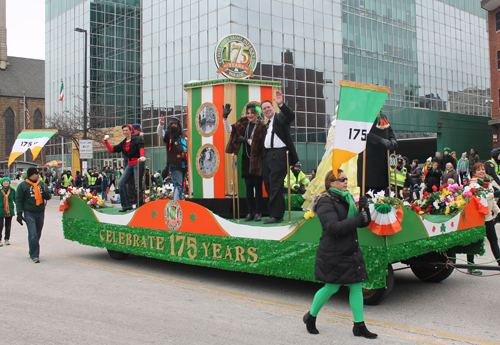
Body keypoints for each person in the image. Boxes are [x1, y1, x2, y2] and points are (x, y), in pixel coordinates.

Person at [303, 169, 376, 339]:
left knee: (357, 286)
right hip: (333, 251)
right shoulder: (325, 202)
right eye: (341, 179)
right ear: (331, 183)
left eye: (346, 178)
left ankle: (359, 326)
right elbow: (334, 227)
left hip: (350, 249)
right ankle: (311, 317)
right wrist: (359, 218)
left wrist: (364, 209)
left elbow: (362, 223)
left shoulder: (347, 198)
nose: (345, 181)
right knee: (332, 286)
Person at [224, 102, 266, 221]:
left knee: (257, 187)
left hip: (257, 161)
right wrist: (225, 118)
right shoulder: (243, 123)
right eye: (248, 113)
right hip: (246, 160)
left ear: (257, 114)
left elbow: (260, 145)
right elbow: (229, 130)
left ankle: (258, 212)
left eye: (252, 113)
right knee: (248, 187)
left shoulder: (262, 127)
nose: (250, 115)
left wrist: (247, 140)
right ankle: (249, 212)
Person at [261, 90, 299, 224]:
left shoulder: (280, 118)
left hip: (279, 155)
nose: (266, 110)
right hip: (268, 156)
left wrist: (281, 104)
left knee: (276, 185)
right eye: (264, 109)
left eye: (268, 107)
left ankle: (276, 216)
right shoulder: (267, 125)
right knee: (269, 185)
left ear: (273, 108)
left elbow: (290, 116)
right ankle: (277, 213)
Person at [466, 163, 500, 274]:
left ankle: (499, 262)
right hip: (478, 218)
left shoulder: (488, 183)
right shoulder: (473, 185)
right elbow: (482, 198)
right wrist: (492, 195)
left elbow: (492, 202)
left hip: (488, 217)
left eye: (483, 169)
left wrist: (498, 211)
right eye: (479, 170)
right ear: (474, 172)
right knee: (473, 242)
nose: (482, 171)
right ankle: (471, 266)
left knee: (493, 240)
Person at [104, 124, 146, 212]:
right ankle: (126, 205)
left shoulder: (137, 139)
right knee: (121, 183)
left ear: (131, 131)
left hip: (138, 162)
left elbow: (141, 148)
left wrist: (142, 156)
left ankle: (140, 206)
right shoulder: (123, 143)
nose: (125, 132)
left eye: (126, 130)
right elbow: (112, 150)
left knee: (137, 185)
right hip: (130, 164)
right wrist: (106, 141)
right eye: (123, 130)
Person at [357, 112, 398, 194]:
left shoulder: (383, 117)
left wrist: (393, 139)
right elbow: (363, 132)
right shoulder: (364, 116)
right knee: (369, 193)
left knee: (383, 194)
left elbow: (390, 131)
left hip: (383, 162)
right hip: (369, 162)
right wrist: (380, 140)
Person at [15, 168, 46, 263]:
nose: (38, 175)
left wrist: (47, 195)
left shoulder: (41, 184)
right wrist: (19, 213)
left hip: (40, 211)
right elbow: (19, 200)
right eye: (37, 173)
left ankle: (32, 249)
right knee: (33, 235)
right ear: (31, 175)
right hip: (29, 212)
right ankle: (35, 255)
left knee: (37, 233)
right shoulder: (23, 186)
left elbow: (48, 195)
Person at [157, 116, 188, 201]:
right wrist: (161, 125)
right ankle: (176, 204)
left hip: (184, 164)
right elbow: (160, 133)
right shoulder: (168, 135)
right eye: (172, 124)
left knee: (181, 185)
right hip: (175, 164)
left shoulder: (183, 135)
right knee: (178, 184)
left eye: (176, 124)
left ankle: (179, 202)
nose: (174, 126)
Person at [0, 177, 15, 246]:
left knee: (8, 225)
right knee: (0, 225)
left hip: (9, 210)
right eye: (4, 181)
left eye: (7, 181)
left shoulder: (12, 190)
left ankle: (7, 239)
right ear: (2, 183)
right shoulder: (0, 190)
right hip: (0, 210)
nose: (6, 182)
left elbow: (16, 199)